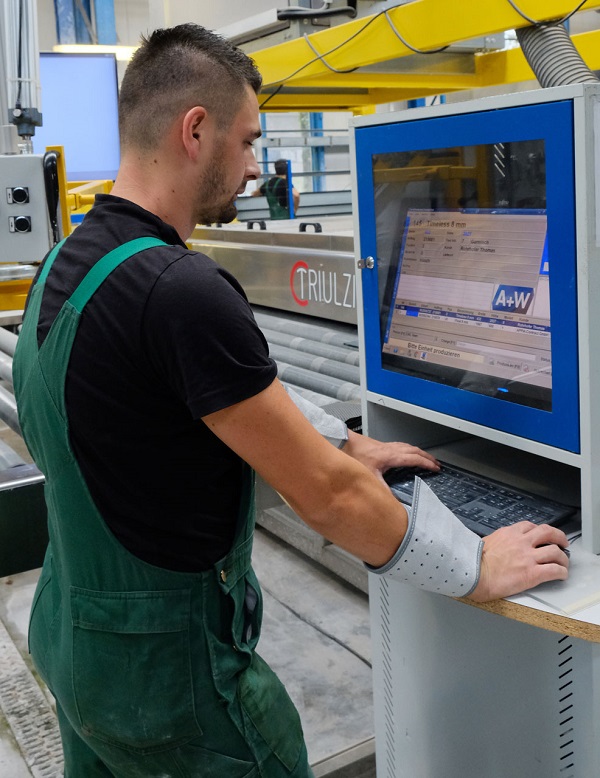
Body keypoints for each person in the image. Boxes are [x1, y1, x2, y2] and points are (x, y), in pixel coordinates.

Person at [12, 23, 569, 778]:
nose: (252, 168)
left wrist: (344, 442)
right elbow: (331, 500)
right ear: (194, 130)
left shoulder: (65, 266)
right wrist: (475, 565)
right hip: (178, 687)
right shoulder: (182, 292)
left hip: (81, 653)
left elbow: (200, 404)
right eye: (245, 142)